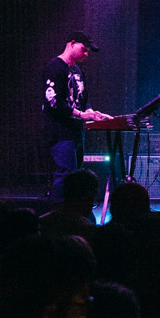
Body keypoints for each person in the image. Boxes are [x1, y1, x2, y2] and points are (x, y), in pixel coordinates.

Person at [42, 31, 111, 200]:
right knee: (66, 172)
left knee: (75, 175)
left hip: (75, 131)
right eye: (84, 49)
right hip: (60, 130)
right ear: (71, 43)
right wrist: (80, 114)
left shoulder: (78, 70)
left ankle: (72, 212)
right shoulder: (55, 67)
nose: (86, 54)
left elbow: (83, 99)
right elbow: (53, 102)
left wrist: (90, 112)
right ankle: (58, 211)